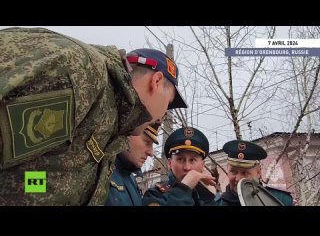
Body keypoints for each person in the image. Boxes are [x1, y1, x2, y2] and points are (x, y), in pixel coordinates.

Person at [0, 27, 187, 205]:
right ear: (156, 82)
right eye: (169, 103)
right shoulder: (86, 75)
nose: (163, 116)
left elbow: (33, 176)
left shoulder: (107, 122)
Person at [142, 127, 217, 206]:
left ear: (202, 165)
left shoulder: (207, 197)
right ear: (170, 163)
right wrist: (184, 189)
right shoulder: (155, 195)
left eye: (192, 160)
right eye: (180, 159)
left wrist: (208, 195)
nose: (187, 167)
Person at [215, 140, 294, 206]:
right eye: (233, 172)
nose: (238, 178)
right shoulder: (216, 204)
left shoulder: (280, 200)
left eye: (244, 173)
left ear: (258, 173)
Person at [106, 122, 161, 206]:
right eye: (147, 142)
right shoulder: (98, 170)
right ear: (128, 133)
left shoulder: (131, 178)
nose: (151, 152)